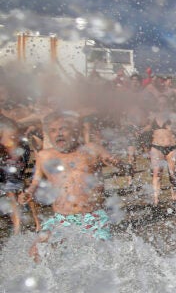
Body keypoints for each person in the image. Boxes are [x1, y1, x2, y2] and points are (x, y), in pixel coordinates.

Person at [19, 112, 129, 262]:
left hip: (93, 217)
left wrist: (120, 164)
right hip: (61, 218)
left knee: (101, 257)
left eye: (63, 129)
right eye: (53, 130)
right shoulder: (44, 156)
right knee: (35, 252)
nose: (58, 134)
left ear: (75, 131)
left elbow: (125, 168)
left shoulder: (91, 149)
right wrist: (28, 193)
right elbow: (35, 183)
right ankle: (51, 283)